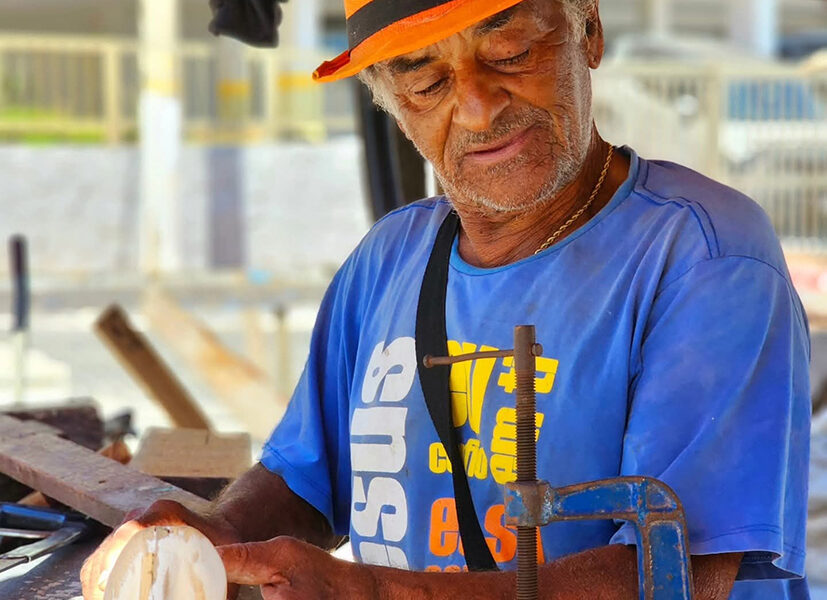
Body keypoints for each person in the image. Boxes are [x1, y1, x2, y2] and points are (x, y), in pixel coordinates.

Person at [81, 0, 811, 598]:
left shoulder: (705, 257)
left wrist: (370, 592)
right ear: (392, 105)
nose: (477, 107)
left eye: (511, 52)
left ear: (587, 28)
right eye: (426, 82)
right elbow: (305, 477)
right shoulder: (387, 260)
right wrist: (220, 538)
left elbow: (680, 574)